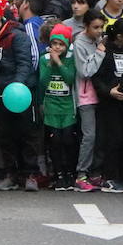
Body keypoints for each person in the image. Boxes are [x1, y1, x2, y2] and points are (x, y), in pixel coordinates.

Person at [0, 0, 38, 191]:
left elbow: (24, 64)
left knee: (26, 135)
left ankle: (30, 174)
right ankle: (11, 174)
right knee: (5, 138)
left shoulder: (17, 36)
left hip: (19, 95)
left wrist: (16, 88)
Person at [92, 17, 123, 193]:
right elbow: (96, 78)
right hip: (109, 103)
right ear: (119, 36)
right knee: (113, 139)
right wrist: (108, 92)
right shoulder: (105, 51)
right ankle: (110, 177)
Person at [39, 24, 79, 191]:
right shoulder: (44, 59)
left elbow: (70, 79)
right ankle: (58, 174)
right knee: (55, 141)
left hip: (68, 107)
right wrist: (51, 64)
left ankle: (70, 172)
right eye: (54, 43)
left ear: (67, 45)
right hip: (51, 107)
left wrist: (59, 63)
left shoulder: (70, 59)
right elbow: (43, 81)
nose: (57, 47)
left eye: (61, 44)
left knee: (68, 140)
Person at [71, 9, 107, 192]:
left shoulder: (99, 40)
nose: (99, 31)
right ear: (86, 26)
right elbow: (85, 71)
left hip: (101, 95)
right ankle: (81, 174)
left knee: (99, 136)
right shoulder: (79, 43)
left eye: (102, 27)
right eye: (95, 27)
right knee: (89, 135)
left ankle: (94, 173)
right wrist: (99, 53)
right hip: (86, 97)